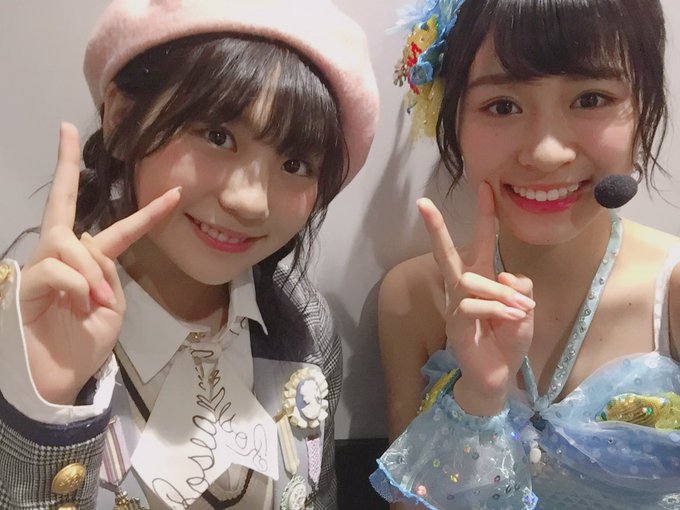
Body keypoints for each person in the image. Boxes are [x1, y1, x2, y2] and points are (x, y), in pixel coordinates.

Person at [0, 0, 379, 509]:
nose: (250, 201)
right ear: (121, 115)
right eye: (217, 136)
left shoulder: (306, 325)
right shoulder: (22, 325)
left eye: (295, 163)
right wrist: (40, 410)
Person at [370, 0, 680, 508]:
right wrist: (478, 400)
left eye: (591, 99)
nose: (545, 153)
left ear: (642, 109)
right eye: (502, 106)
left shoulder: (673, 289)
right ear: (453, 117)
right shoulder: (416, 298)